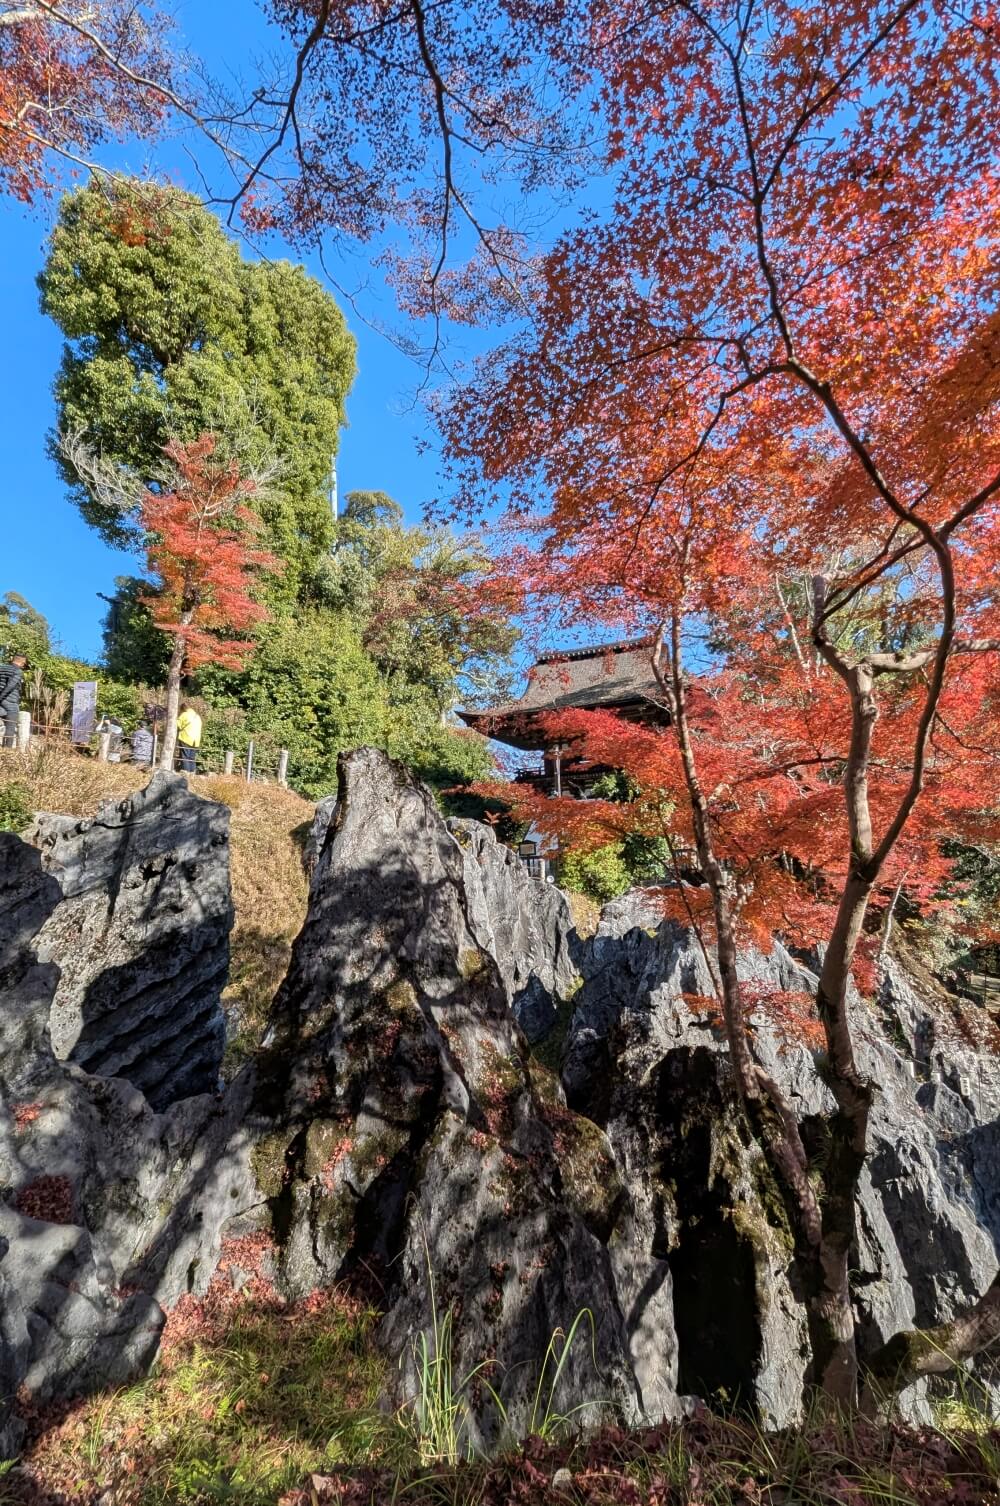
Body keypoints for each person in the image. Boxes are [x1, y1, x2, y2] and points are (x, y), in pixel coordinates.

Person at [0, 653, 27, 748]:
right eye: (24, 663)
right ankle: (7, 750)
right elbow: (10, 686)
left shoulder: (2, 668)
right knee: (10, 727)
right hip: (10, 702)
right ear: (22, 662)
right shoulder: (18, 671)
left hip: (2, 702)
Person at [176, 701, 202, 773]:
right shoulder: (197, 716)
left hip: (186, 738)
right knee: (191, 758)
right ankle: (192, 773)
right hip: (196, 740)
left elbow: (177, 725)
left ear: (182, 708)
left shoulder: (184, 715)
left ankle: (186, 773)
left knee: (185, 757)